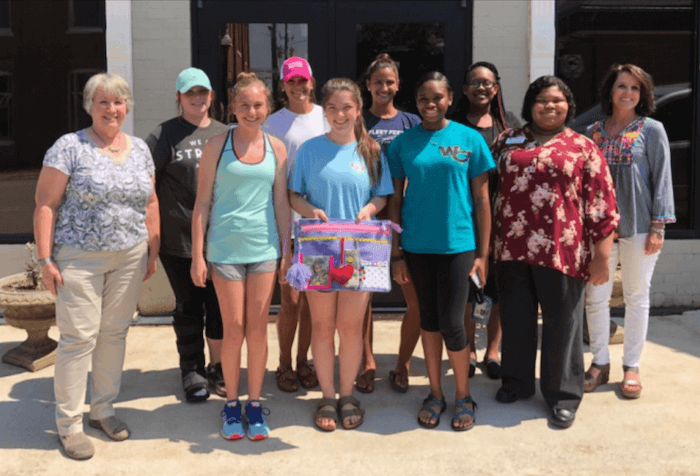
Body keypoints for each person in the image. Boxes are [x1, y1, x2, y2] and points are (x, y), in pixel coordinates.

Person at [34, 73, 160, 460]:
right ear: (89, 106)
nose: (112, 109)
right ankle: (69, 426)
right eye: (103, 102)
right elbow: (45, 204)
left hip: (129, 256)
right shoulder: (68, 148)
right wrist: (45, 259)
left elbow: (150, 201)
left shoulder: (139, 148)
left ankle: (102, 409)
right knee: (78, 339)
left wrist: (152, 250)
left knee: (114, 333)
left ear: (127, 107)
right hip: (80, 259)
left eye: (118, 102)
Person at [490, 75, 619, 429]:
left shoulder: (582, 147)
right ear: (531, 104)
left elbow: (602, 205)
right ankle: (516, 382)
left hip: (563, 251)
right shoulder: (507, 140)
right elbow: (487, 190)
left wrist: (602, 257)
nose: (550, 106)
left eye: (557, 100)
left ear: (568, 106)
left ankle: (562, 395)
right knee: (516, 319)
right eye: (542, 100)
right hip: (511, 248)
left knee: (563, 325)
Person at [387, 72, 494, 431]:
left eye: (436, 98)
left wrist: (483, 253)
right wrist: (397, 252)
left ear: (449, 98)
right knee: (428, 323)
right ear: (414, 103)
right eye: (422, 99)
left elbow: (481, 200)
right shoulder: (402, 144)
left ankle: (464, 395)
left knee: (453, 322)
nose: (430, 104)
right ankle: (435, 393)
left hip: (458, 245)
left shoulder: (469, 139)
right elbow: (395, 201)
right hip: (416, 247)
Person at [289, 78, 393, 432]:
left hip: (360, 249)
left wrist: (369, 208)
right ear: (325, 110)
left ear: (358, 110)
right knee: (321, 325)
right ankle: (327, 397)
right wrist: (309, 210)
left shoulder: (372, 151)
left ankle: (347, 395)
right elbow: (294, 195)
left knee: (349, 328)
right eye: (332, 108)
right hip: (319, 247)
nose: (339, 115)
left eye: (347, 107)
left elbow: (382, 197)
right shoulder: (309, 149)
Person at [191, 72, 291, 441]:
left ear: (268, 107)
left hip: (264, 250)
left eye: (258, 105)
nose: (252, 111)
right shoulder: (218, 145)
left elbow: (281, 203)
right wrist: (198, 256)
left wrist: (287, 249)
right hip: (225, 251)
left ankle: (253, 402)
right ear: (233, 107)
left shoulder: (277, 148)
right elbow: (202, 203)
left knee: (257, 329)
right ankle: (231, 404)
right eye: (244, 105)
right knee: (232, 329)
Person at [583, 64, 675, 399]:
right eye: (622, 86)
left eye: (635, 88)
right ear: (611, 91)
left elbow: (662, 179)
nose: (628, 93)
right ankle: (599, 361)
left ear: (643, 94)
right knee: (596, 297)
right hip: (600, 231)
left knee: (636, 297)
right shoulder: (593, 132)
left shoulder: (652, 130)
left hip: (639, 226)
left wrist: (658, 227)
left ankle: (631, 365)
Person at [146, 67, 229, 403]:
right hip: (177, 240)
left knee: (220, 307)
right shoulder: (164, 134)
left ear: (211, 95)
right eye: (190, 93)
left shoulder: (225, 133)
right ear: (178, 98)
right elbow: (147, 184)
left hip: (222, 239)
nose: (198, 98)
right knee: (189, 307)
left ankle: (219, 367)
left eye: (203, 92)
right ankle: (192, 370)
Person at [355, 53, 421, 394]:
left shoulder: (411, 122)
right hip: (366, 217)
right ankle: (367, 362)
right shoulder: (357, 121)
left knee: (415, 299)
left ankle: (402, 364)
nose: (384, 87)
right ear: (368, 85)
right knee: (363, 297)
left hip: (405, 219)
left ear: (398, 85)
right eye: (377, 81)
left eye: (389, 81)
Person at [451, 61, 522, 380]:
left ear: (496, 88)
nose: (482, 88)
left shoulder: (512, 127)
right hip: (461, 221)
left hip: (503, 220)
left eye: (488, 83)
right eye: (475, 82)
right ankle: (469, 348)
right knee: (465, 291)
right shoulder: (450, 126)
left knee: (499, 288)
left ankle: (493, 351)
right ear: (464, 89)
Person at [262, 56, 328, 393]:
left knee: (312, 300)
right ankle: (285, 362)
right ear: (283, 85)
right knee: (290, 299)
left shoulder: (326, 118)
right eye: (292, 82)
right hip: (287, 224)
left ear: (312, 82)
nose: (298, 87)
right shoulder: (272, 124)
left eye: (303, 81)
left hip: (321, 224)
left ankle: (304, 361)